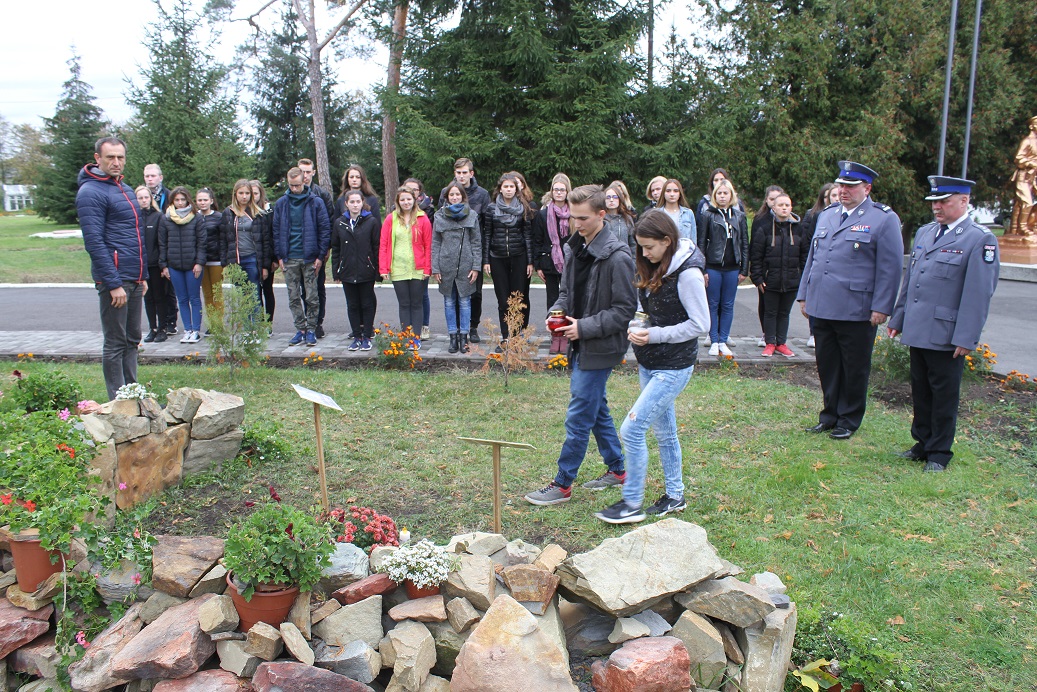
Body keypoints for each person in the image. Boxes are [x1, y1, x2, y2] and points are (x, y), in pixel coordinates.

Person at [524, 185, 636, 506]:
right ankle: (618, 469)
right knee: (596, 408)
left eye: (583, 218)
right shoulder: (575, 248)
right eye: (573, 217)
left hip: (602, 346)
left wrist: (582, 327)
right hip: (580, 341)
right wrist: (557, 312)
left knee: (579, 415)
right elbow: (566, 293)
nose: (576, 224)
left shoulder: (618, 257)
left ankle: (563, 483)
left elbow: (624, 310)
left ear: (602, 215)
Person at [595, 211, 708, 523]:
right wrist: (638, 325)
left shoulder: (688, 274)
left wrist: (655, 335)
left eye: (649, 247)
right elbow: (646, 306)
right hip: (649, 361)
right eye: (640, 247)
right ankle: (675, 495)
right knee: (665, 432)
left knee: (631, 429)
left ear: (667, 241)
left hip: (673, 366)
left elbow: (701, 324)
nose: (644, 254)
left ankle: (631, 503)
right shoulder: (653, 263)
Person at [888, 176, 999, 472]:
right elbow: (911, 280)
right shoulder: (926, 232)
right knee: (921, 390)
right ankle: (922, 443)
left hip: (947, 333)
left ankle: (939, 453)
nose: (937, 207)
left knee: (944, 395)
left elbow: (978, 294)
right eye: (934, 202)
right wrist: (899, 317)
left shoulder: (978, 238)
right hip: (918, 328)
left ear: (964, 201)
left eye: (944, 202)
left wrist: (966, 336)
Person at [797, 161, 904, 439]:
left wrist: (882, 306)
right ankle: (829, 415)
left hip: (856, 308)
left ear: (866, 188)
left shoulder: (883, 219)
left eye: (850, 186)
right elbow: (814, 258)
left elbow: (890, 268)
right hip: (822, 304)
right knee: (827, 364)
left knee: (854, 367)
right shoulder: (828, 214)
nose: (843, 190)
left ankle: (849, 419)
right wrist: (805, 294)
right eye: (841, 185)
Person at [78, 137, 148, 400]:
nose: (116, 162)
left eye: (120, 157)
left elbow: (135, 235)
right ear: (98, 158)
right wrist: (113, 283)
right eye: (110, 157)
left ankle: (133, 393)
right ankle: (118, 400)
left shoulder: (124, 188)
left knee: (132, 339)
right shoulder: (91, 192)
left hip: (134, 278)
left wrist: (142, 275)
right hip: (115, 281)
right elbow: (94, 242)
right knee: (116, 341)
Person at [273, 167, 332, 347]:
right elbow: (276, 231)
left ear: (304, 181)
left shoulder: (316, 202)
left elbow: (324, 229)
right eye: (291, 185)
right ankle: (300, 329)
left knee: (312, 296)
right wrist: (279, 256)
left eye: (297, 185)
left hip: (310, 257)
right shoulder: (281, 203)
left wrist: (320, 256)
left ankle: (312, 329)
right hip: (289, 257)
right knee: (293, 297)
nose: (294, 189)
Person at [750, 192, 809, 357]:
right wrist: (758, 278)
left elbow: (804, 256)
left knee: (784, 313)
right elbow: (756, 256)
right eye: (780, 205)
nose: (784, 208)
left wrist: (801, 277)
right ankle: (770, 343)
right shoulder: (764, 229)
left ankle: (781, 343)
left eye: (787, 205)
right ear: (773, 208)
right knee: (770, 312)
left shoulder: (799, 230)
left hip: (791, 280)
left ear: (791, 207)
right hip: (770, 280)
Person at [439, 158, 491, 343]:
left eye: (464, 172)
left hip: (473, 251)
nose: (461, 176)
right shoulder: (446, 192)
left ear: (471, 173)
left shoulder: (482, 194)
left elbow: (486, 226)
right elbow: (441, 221)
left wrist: (482, 258)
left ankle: (472, 327)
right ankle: (457, 330)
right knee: (453, 294)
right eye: (458, 173)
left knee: (474, 293)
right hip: (451, 254)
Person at [698, 179, 749, 357]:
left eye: (725, 193)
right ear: (714, 196)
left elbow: (744, 243)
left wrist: (744, 269)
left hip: (732, 267)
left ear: (731, 195)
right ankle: (713, 340)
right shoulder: (707, 215)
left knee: (727, 304)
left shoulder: (739, 216)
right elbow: (701, 243)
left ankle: (723, 340)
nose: (722, 196)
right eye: (719, 193)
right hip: (713, 266)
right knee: (713, 304)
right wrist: (703, 269)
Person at [482, 172, 534, 346]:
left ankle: (517, 336)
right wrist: (486, 260)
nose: (509, 189)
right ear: (500, 189)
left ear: (516, 189)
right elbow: (487, 234)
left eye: (512, 186)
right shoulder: (491, 209)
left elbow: (527, 235)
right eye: (506, 186)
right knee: (503, 300)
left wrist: (530, 261)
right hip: (497, 257)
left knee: (517, 299)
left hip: (519, 256)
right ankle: (506, 337)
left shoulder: (524, 208)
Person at [379, 186, 432, 349]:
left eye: (409, 199)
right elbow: (384, 244)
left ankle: (415, 338)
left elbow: (428, 245)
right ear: (398, 201)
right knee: (404, 304)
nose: (406, 202)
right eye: (402, 199)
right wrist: (383, 268)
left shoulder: (423, 218)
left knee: (416, 303)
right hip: (398, 267)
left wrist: (427, 268)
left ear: (414, 200)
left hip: (418, 267)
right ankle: (405, 337)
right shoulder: (391, 219)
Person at [432, 182, 481, 354]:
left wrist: (476, 266)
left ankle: (463, 337)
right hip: (445, 266)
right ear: (446, 197)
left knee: (465, 302)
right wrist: (435, 268)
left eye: (457, 194)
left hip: (466, 266)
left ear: (462, 196)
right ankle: (453, 336)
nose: (454, 197)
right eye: (451, 195)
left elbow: (476, 243)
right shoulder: (439, 216)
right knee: (449, 301)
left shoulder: (472, 215)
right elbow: (435, 243)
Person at [331, 189, 381, 352]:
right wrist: (336, 270)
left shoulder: (371, 222)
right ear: (346, 204)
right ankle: (357, 336)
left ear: (362, 203)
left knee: (367, 303)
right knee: (352, 304)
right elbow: (336, 248)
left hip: (366, 270)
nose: (355, 205)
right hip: (347, 271)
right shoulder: (340, 223)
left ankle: (367, 336)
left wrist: (377, 270)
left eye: (358, 202)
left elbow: (376, 247)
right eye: (351, 202)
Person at [159, 186, 206, 344]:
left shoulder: (196, 218)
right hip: (174, 265)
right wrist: (164, 265)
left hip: (193, 265)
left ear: (188, 200)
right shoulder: (166, 219)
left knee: (194, 298)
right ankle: (187, 330)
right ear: (172, 201)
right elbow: (162, 244)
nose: (180, 203)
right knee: (182, 299)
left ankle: (196, 330)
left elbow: (202, 243)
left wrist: (199, 263)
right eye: (177, 200)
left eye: (183, 200)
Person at [531, 173, 572, 354]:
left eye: (562, 190)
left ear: (567, 191)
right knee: (553, 298)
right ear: (552, 191)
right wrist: (538, 265)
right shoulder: (543, 214)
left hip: (570, 262)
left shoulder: (574, 213)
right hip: (550, 261)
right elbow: (537, 240)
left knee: (570, 297)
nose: (559, 193)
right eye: (556, 190)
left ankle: (567, 332)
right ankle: (555, 334)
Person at [298, 158, 335, 339]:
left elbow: (329, 223)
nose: (305, 176)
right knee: (303, 288)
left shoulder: (322, 194)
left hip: (317, 250)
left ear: (313, 172)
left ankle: (318, 322)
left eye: (308, 172)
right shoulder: (292, 193)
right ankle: (306, 321)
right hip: (298, 250)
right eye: (301, 172)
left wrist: (326, 248)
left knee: (318, 287)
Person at [801, 183, 837, 348]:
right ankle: (813, 332)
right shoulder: (818, 215)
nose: (836, 198)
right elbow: (809, 243)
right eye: (833, 195)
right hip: (817, 267)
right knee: (815, 299)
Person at [143, 163, 177, 333]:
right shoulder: (141, 196)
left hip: (167, 244)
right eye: (147, 176)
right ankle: (156, 325)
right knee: (151, 292)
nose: (150, 179)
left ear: (160, 177)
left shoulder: (169, 196)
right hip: (149, 248)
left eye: (153, 176)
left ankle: (171, 321)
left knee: (168, 288)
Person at [750, 185, 785, 347]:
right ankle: (767, 334)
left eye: (777, 199)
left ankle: (779, 337)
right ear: (766, 200)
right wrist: (756, 273)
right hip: (765, 269)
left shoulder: (789, 220)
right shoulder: (760, 219)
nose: (774, 202)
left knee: (781, 307)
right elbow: (755, 247)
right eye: (771, 199)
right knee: (765, 303)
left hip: (783, 270)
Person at [404, 177, 435, 341]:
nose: (411, 192)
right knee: (407, 298)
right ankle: (409, 327)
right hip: (403, 259)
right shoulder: (397, 210)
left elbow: (429, 237)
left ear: (419, 192)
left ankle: (424, 325)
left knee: (422, 295)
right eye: (407, 188)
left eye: (414, 189)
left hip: (421, 258)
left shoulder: (428, 210)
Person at [137, 186, 167, 343]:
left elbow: (162, 242)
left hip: (155, 264)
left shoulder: (158, 216)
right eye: (140, 198)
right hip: (141, 265)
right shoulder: (134, 217)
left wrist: (163, 264)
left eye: (146, 197)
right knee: (147, 298)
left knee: (159, 296)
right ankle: (152, 328)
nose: (143, 200)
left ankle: (163, 328)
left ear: (150, 199)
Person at [195, 187, 223, 333]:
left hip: (216, 260)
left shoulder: (219, 217)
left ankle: (218, 324)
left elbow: (224, 239)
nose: (202, 202)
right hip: (201, 262)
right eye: (199, 200)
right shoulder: (194, 217)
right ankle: (211, 325)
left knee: (217, 293)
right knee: (207, 293)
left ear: (211, 201)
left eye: (205, 200)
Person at [250, 180, 277, 324]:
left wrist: (274, 259)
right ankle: (258, 323)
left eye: (255, 193)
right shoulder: (244, 212)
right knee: (254, 292)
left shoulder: (269, 211)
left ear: (261, 194)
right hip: (251, 257)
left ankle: (268, 323)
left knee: (267, 290)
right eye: (250, 193)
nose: (253, 196)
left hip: (267, 257)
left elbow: (273, 235)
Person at [1008, 116, 1037, 237]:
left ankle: (1023, 227)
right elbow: (1018, 158)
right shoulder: (1027, 141)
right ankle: (1022, 228)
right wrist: (1031, 163)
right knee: (1027, 202)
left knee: (1019, 205)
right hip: (1023, 176)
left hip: (1034, 177)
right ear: (1031, 126)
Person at [603, 182, 636, 253]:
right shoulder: (600, 219)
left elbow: (633, 243)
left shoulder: (627, 218)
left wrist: (633, 259)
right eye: (608, 197)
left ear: (620, 199)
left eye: (615, 197)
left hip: (625, 256)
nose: (611, 200)